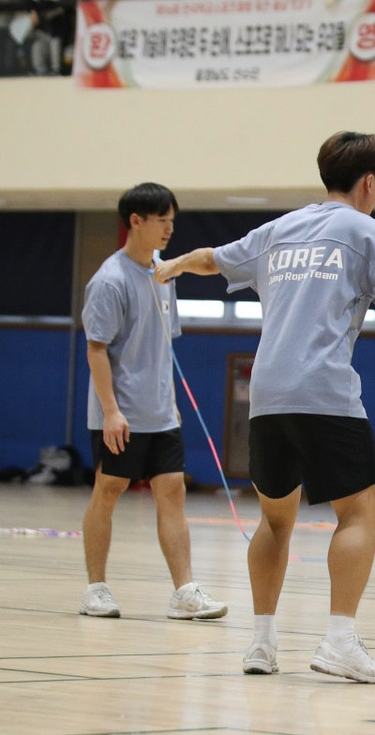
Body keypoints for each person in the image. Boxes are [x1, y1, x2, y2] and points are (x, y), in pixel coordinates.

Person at [154, 131, 375, 683]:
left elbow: (213, 260)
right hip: (325, 393)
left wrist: (174, 263)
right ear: (371, 183)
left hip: (268, 396)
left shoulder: (279, 229)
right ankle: (340, 641)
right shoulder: (367, 231)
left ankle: (261, 642)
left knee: (275, 520)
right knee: (361, 510)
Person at [80, 183, 228, 624]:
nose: (169, 228)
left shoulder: (164, 275)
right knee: (109, 490)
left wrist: (169, 399)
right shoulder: (109, 281)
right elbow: (96, 349)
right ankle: (96, 589)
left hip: (161, 412)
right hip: (120, 414)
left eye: (173, 221)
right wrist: (110, 410)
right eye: (161, 220)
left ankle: (183, 591)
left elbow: (163, 345)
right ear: (136, 222)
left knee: (172, 491)